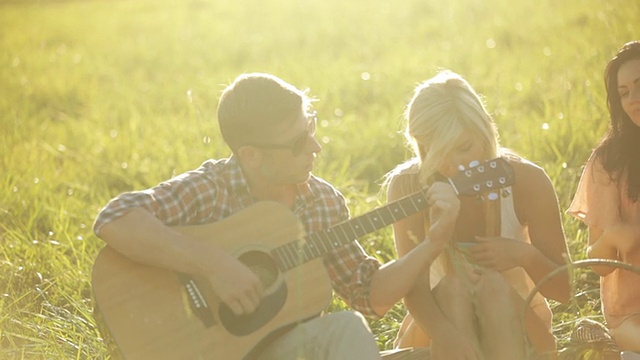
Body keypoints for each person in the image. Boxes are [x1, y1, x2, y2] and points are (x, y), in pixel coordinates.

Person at [93, 72, 445, 360]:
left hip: (286, 350)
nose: (315, 147)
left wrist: (433, 242)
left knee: (359, 331)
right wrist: (215, 265)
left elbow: (369, 295)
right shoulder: (210, 189)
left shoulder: (321, 202)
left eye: (311, 128)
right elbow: (116, 218)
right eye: (297, 142)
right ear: (251, 156)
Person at [386, 71, 571, 360]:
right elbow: (415, 291)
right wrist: (454, 342)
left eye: (464, 147)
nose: (455, 165)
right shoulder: (408, 186)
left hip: (518, 329)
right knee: (452, 289)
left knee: (492, 287)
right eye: (439, 153)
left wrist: (524, 255)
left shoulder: (526, 180)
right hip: (437, 327)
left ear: (484, 133)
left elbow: (565, 291)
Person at [567, 40, 640, 352]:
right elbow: (598, 264)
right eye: (624, 93)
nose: (634, 100)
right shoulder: (608, 163)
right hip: (632, 313)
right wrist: (612, 236)